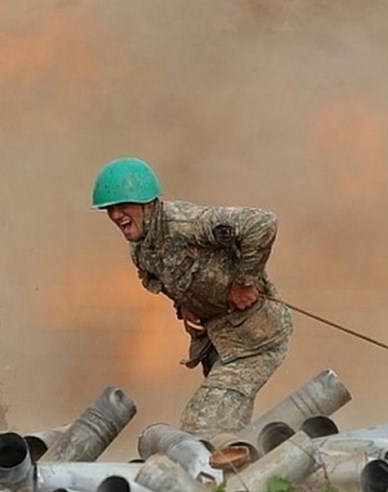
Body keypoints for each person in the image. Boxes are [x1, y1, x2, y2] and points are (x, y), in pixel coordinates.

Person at [92, 157, 293, 438]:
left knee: (203, 425)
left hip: (254, 338)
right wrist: (186, 306)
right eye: (109, 209)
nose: (115, 215)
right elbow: (170, 280)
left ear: (148, 203)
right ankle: (246, 471)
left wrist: (244, 283)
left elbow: (261, 223)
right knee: (225, 427)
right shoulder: (142, 249)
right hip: (218, 343)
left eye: (122, 206)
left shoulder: (185, 223)